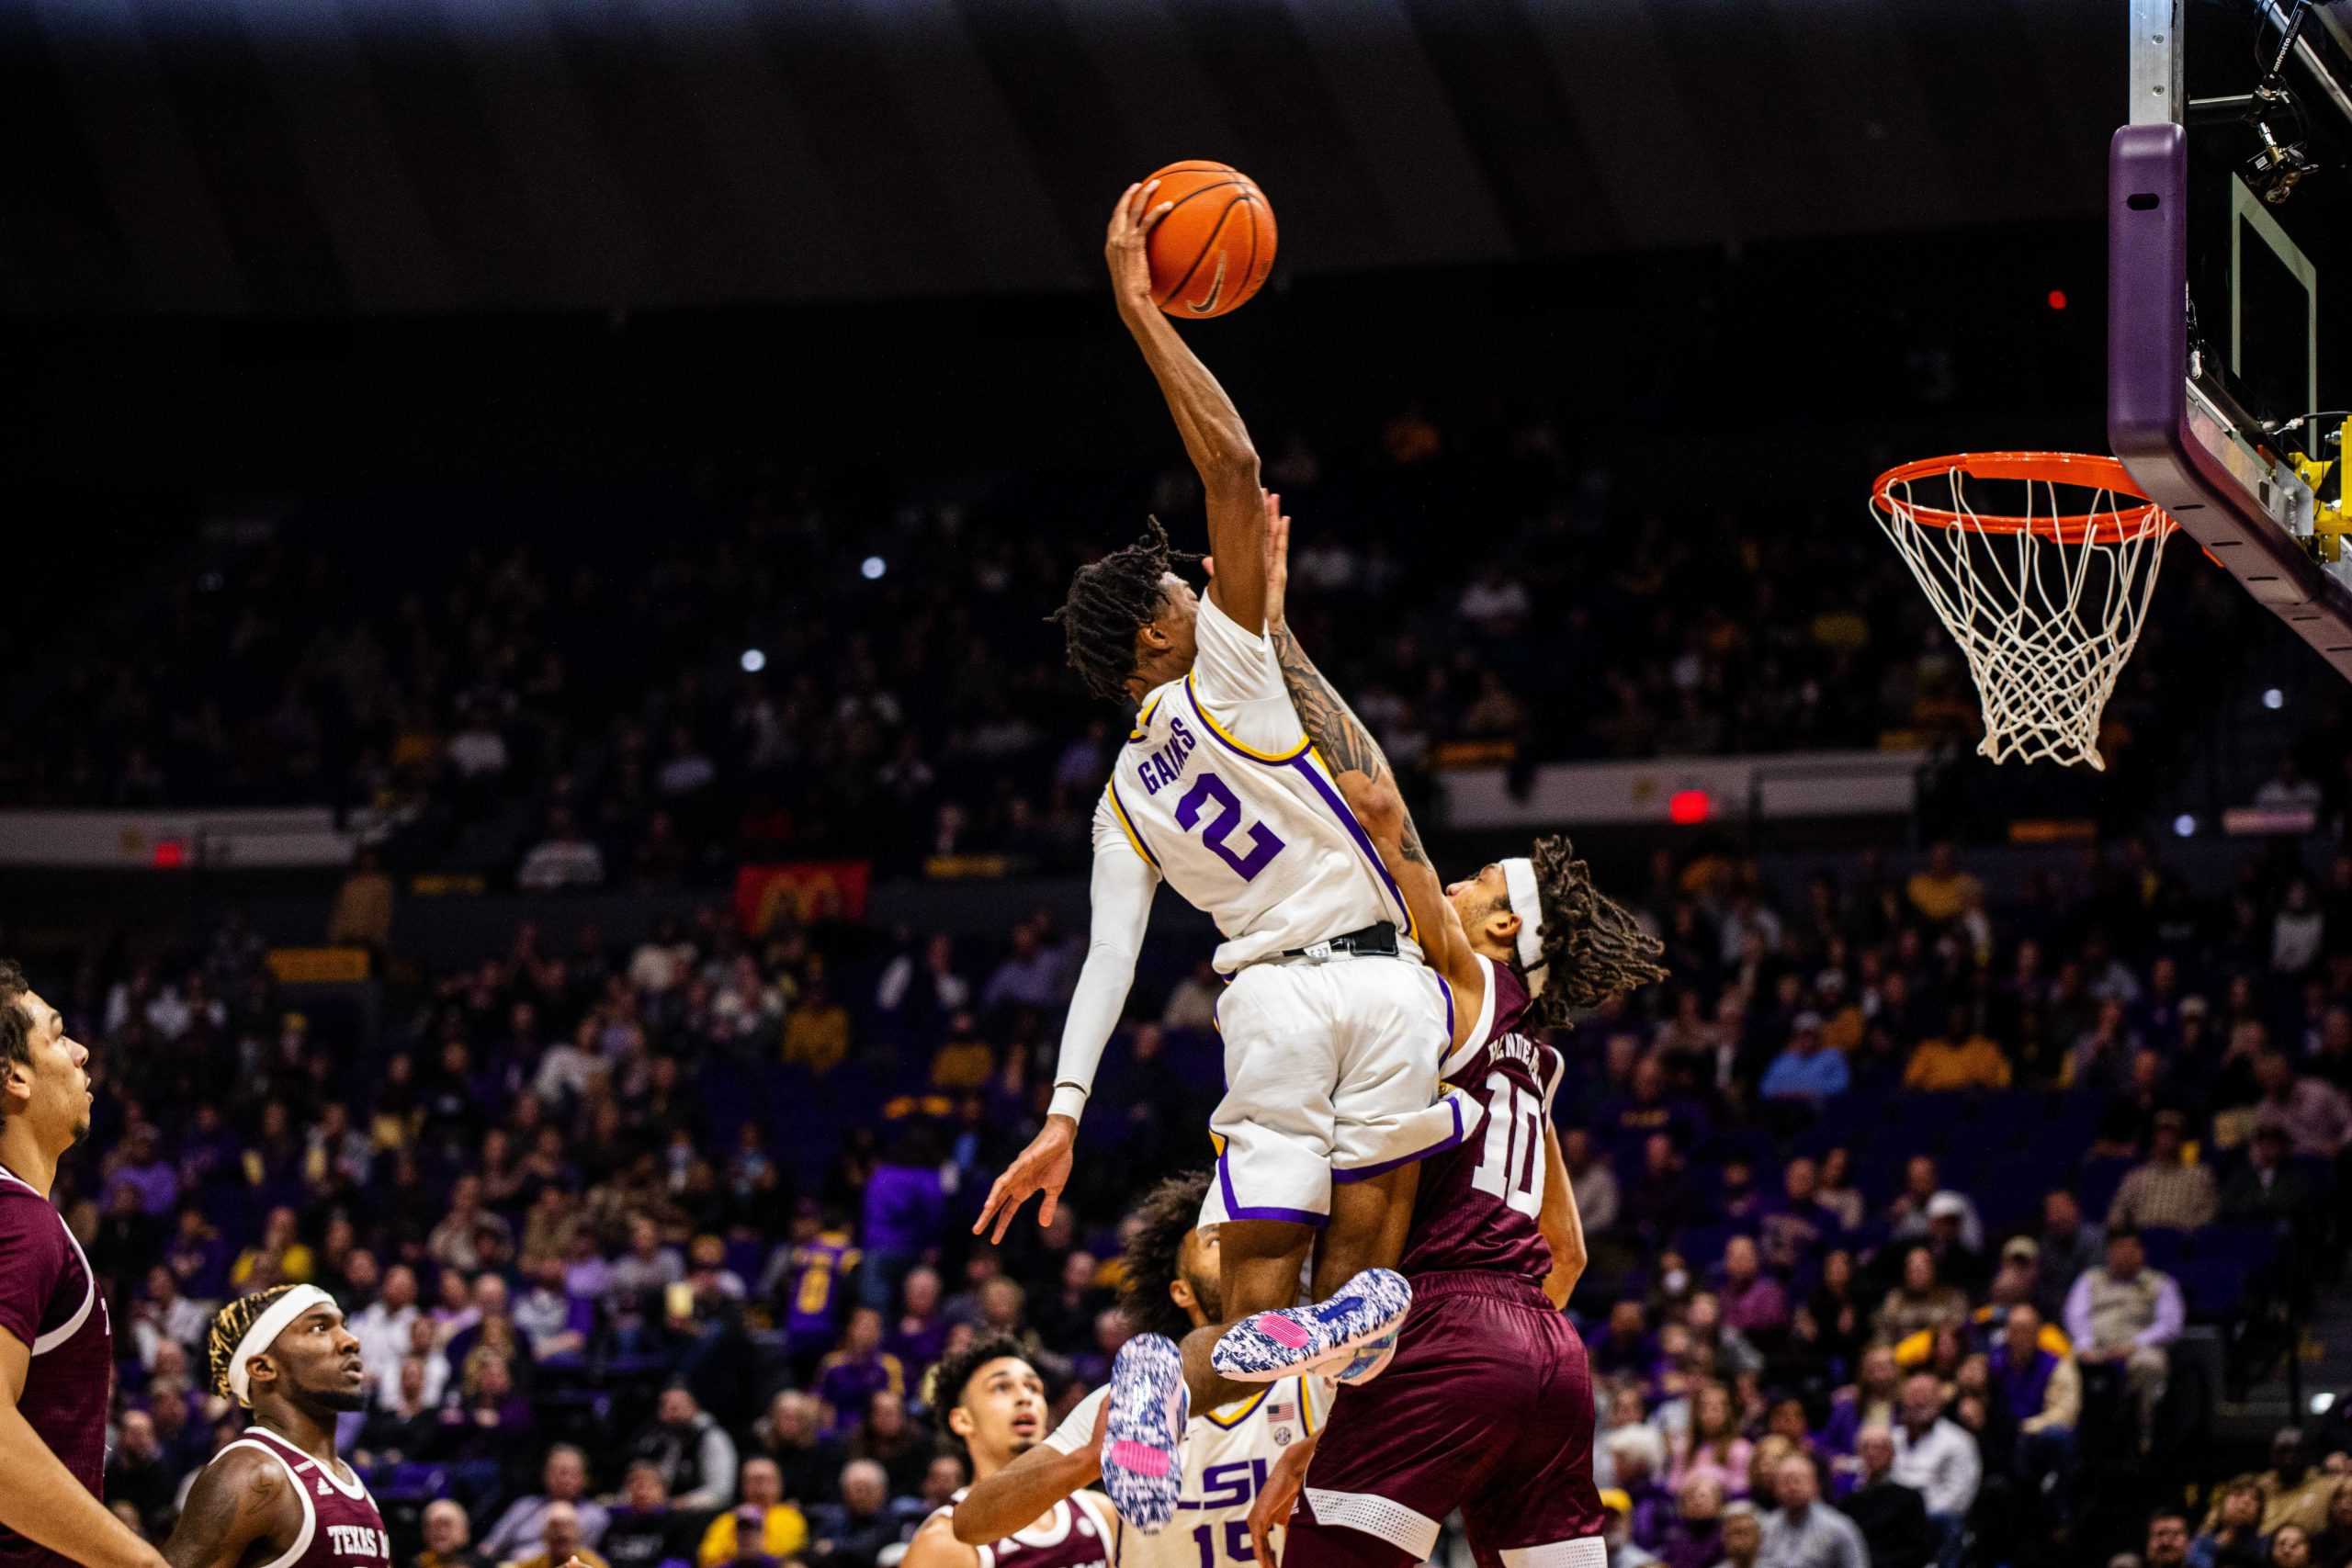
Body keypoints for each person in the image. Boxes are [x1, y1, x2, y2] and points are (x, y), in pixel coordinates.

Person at [974, 184, 1464, 1525]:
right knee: (1373, 1289)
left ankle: (1163, 1369)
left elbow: (1109, 962)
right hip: (1382, 986)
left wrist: (1064, 1114)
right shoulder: (1231, 674)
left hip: (1269, 1006)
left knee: (1263, 1311)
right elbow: (1238, 471)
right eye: (1183, 588)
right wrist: (1143, 310)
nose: (1200, 582)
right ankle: (1330, 1325)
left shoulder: (1125, 790)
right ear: (1152, 633)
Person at [1239, 687, 1642, 1567]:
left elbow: (1385, 809)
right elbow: (1565, 1254)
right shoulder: (1538, 1059)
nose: (1454, 883)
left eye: (1479, 881)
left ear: (1503, 926)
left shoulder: (1468, 983)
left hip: (1448, 1322)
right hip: (1552, 1353)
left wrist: (1268, 631)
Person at [953, 1170, 1331, 1566]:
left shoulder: (1317, 1377)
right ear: (1180, 1289)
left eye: (1244, 1238)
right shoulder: (1127, 1402)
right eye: (1216, 1240)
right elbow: (973, 1522)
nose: (1236, 1250)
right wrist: (1087, 1458)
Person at [0, 964, 163, 1568]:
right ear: (13, 1075)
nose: (81, 1051)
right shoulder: (19, 1220)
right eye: (58, 1034)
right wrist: (140, 1561)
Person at [161, 1284, 387, 1568]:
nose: (351, 1340)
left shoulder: (352, 1483)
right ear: (263, 1368)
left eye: (344, 1326)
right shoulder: (252, 1475)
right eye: (319, 1328)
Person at [901, 1336, 1115, 1568]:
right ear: (963, 1420)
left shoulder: (1100, 1512)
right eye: (1001, 1387)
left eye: (1033, 1388)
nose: (1025, 1398)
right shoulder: (943, 1543)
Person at [2063, 1226, 2183, 1450]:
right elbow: (2074, 1317)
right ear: (2109, 1252)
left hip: (2139, 1349)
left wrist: (2134, 1345)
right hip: (2095, 1347)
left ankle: (2144, 1434)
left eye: (2130, 1249)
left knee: (2150, 1365)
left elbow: (2170, 1325)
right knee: (2061, 1364)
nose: (2124, 1255)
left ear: (2141, 1252)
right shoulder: (2090, 1280)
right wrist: (2086, 1346)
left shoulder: (2159, 1283)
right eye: (2118, 1249)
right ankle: (2069, 1433)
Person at [1889, 1374, 1980, 1566]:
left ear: (1939, 1401)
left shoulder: (1958, 1441)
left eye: (1926, 1395)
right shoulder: (1891, 1439)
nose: (1919, 1401)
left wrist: (1916, 1514)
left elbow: (1959, 1496)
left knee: (1950, 1523)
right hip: (1891, 1519)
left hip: (1932, 1520)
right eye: (1913, 1395)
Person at [477, 1447, 611, 1562]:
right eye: (556, 1471)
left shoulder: (596, 1515)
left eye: (570, 1472)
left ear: (584, 1478)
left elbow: (583, 1557)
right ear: (545, 1475)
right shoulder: (524, 1506)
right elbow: (490, 1547)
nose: (563, 1478)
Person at [2108, 1111, 2220, 1233]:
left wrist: (2189, 1234)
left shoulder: (2200, 1175)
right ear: (2154, 1137)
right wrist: (2121, 1235)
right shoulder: (2137, 1176)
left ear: (2181, 1138)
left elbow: (2208, 1214)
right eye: (2162, 1132)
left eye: (2173, 1133)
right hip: (2143, 1240)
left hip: (2181, 1241)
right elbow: (2117, 1212)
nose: (2167, 1137)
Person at [1839, 1427, 1933, 1568]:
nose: (1872, 1453)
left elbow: (1919, 1551)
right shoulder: (1848, 1501)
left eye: (1880, 1448)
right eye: (1866, 1447)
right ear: (1859, 1453)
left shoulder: (1910, 1498)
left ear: (1892, 1454)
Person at [1757, 1451, 1866, 1568]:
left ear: (1815, 1485)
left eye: (1798, 1480)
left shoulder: (1839, 1528)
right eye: (1785, 1481)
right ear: (1775, 1488)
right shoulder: (1766, 1528)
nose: (1792, 1487)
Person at [694, 1459, 807, 1568]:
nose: (761, 1486)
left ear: (779, 1484)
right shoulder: (726, 1520)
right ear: (743, 1485)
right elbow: (707, 1559)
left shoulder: (791, 1517)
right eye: (754, 1480)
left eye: (766, 1479)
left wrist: (735, 1551)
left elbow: (785, 1553)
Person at [412, 1501, 478, 1568]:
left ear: (464, 1530)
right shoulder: (418, 1564)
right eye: (433, 1525)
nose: (440, 1531)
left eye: (446, 1524)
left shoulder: (482, 1564)